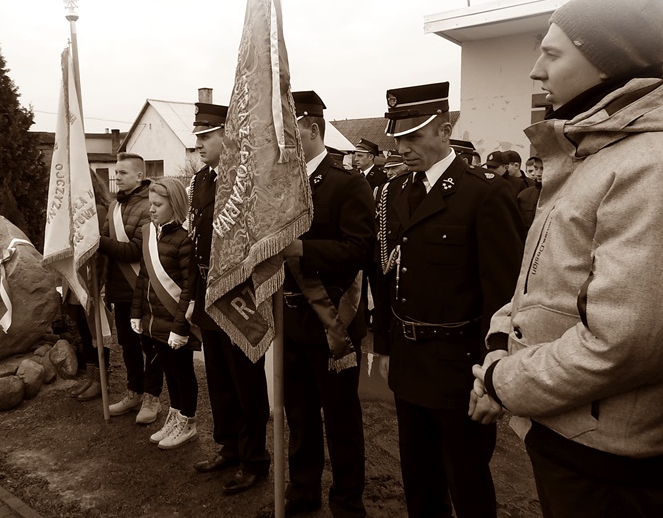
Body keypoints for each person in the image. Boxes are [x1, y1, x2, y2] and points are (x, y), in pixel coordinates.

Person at [471, 0, 663, 518]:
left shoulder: (649, 165)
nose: (536, 71)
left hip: (608, 465)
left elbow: (624, 343)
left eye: (553, 54)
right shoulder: (598, 156)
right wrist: (499, 343)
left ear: (612, 63)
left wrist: (502, 380)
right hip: (575, 436)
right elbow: (542, 285)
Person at [375, 81, 524, 518]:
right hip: (409, 360)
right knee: (419, 479)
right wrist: (383, 345)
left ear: (444, 130)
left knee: (467, 481)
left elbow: (503, 293)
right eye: (397, 138)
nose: (402, 148)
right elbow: (386, 275)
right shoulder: (396, 192)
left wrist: (492, 371)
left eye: (413, 136)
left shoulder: (484, 193)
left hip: (460, 367)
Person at [282, 90, 375, 518]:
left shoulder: (347, 183)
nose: (282, 144)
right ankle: (303, 491)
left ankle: (347, 501)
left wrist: (303, 250)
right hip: (290, 319)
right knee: (299, 415)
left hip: (332, 319)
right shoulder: (281, 187)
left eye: (290, 134)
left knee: (340, 419)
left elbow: (359, 250)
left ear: (313, 130)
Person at [188, 102, 271, 495]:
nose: (199, 144)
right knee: (219, 379)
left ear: (228, 135)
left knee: (246, 383)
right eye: (198, 137)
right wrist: (193, 297)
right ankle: (229, 447)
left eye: (207, 136)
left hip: (240, 295)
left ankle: (254, 459)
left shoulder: (246, 180)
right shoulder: (200, 181)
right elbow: (196, 244)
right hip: (209, 293)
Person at [131, 178, 200, 449]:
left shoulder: (184, 240)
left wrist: (180, 328)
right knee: (170, 373)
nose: (151, 209)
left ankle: (188, 421)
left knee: (183, 374)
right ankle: (174, 415)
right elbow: (143, 279)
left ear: (175, 205)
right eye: (150, 204)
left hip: (175, 323)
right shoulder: (151, 235)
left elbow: (188, 289)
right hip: (155, 322)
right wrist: (137, 313)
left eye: (158, 204)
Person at [98, 152, 164, 424]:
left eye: (123, 172)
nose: (117, 177)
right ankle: (134, 391)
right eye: (116, 172)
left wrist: (97, 241)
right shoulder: (114, 206)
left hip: (142, 288)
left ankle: (152, 396)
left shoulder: (150, 206)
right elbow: (105, 240)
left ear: (139, 176)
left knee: (150, 344)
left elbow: (136, 250)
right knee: (127, 344)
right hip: (119, 288)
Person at [66, 169, 112, 401]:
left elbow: (101, 251)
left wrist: (98, 285)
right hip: (76, 279)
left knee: (96, 329)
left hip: (93, 280)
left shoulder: (100, 211)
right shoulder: (72, 213)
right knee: (84, 329)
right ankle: (92, 376)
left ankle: (101, 379)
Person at [516, 158, 542, 232]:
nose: (538, 173)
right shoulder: (524, 196)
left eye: (543, 169)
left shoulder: (564, 195)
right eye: (536, 168)